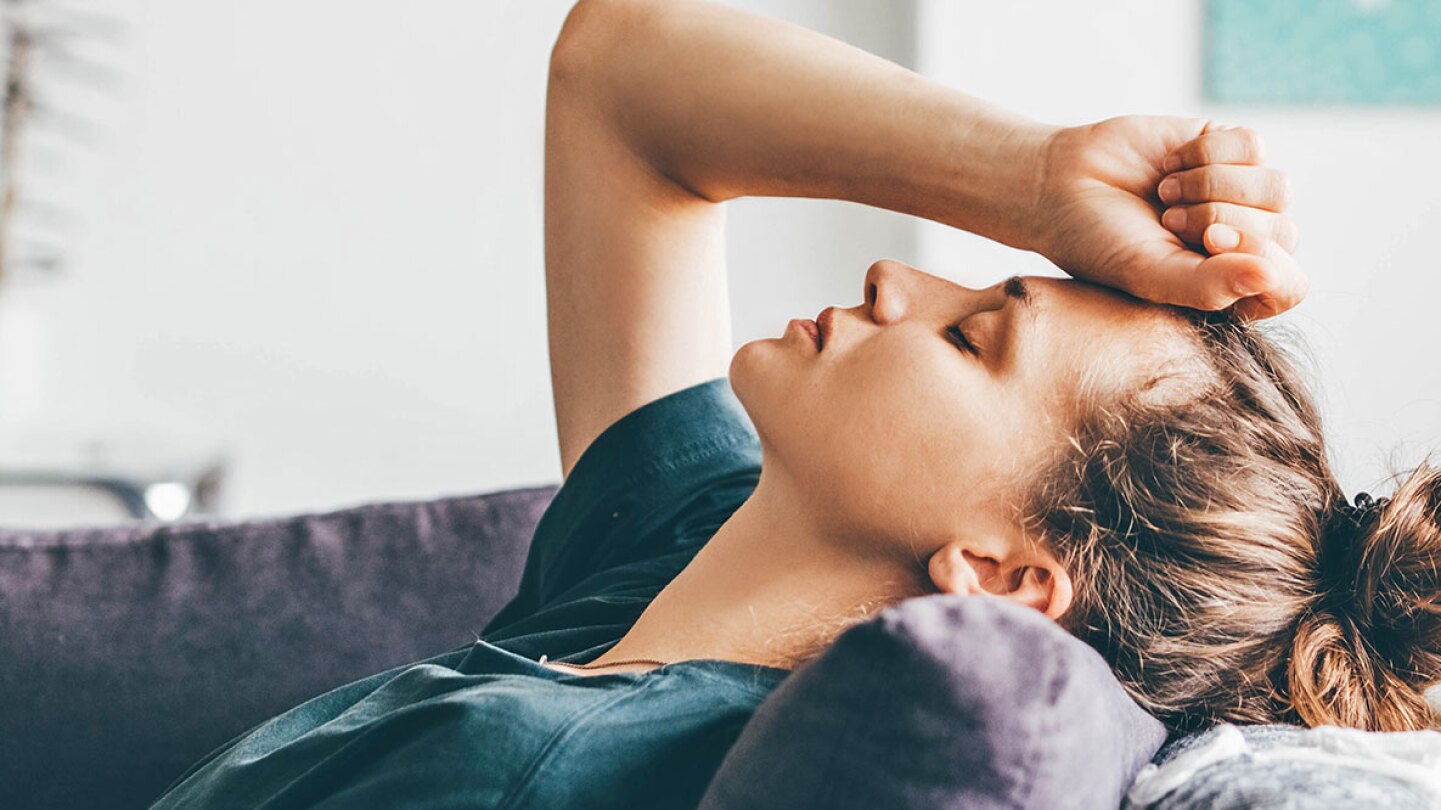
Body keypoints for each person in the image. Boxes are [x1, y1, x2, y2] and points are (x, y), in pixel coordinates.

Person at [150, 0, 1440, 807]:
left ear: (1000, 574)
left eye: (978, 337)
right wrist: (1038, 180)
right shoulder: (682, 552)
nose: (898, 274)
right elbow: (621, 76)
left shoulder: (526, 773)